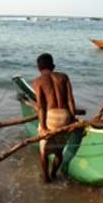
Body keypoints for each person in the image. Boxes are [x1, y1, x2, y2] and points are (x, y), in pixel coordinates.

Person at [32, 53, 76, 183]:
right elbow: (70, 100)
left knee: (44, 152)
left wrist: (44, 127)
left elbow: (41, 107)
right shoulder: (63, 77)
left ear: (38, 67)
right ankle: (54, 174)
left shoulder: (37, 81)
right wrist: (73, 120)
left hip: (50, 117)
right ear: (53, 66)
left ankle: (46, 178)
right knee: (58, 151)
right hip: (65, 116)